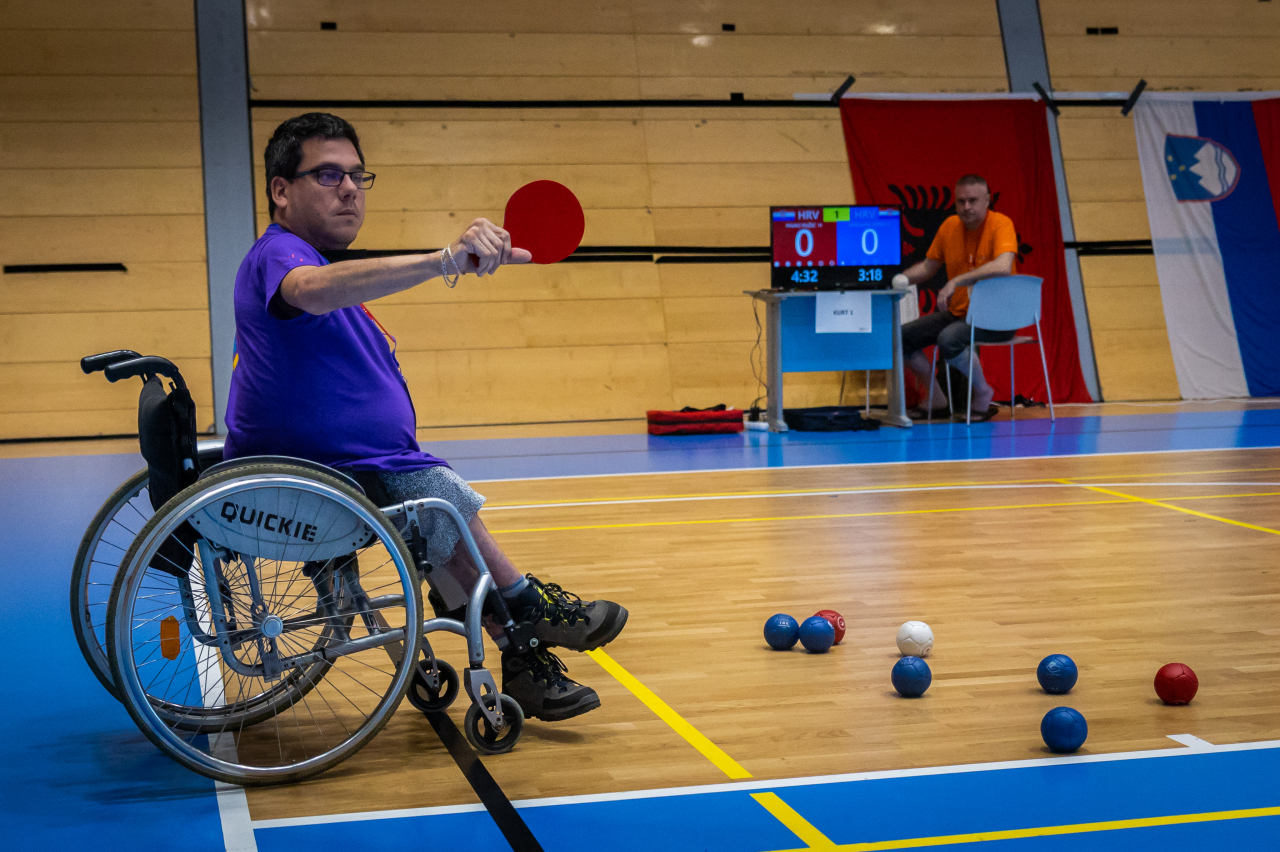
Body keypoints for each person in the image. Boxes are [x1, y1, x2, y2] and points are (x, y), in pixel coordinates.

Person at [223, 112, 627, 722]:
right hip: (317, 480)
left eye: (357, 175)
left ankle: (522, 657)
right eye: (328, 175)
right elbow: (309, 290)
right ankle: (528, 604)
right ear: (281, 190)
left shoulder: (319, 261)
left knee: (427, 504)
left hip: (358, 469)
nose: (349, 189)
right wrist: (444, 260)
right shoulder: (282, 254)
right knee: (434, 495)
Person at [894, 174, 1019, 422]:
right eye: (961, 201)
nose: (966, 207)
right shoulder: (949, 226)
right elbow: (928, 267)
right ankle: (936, 398)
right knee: (900, 338)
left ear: (987, 200)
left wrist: (957, 280)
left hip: (998, 318)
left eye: (973, 200)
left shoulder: (1001, 224)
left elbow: (1003, 265)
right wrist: (895, 280)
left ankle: (983, 392)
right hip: (960, 313)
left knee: (949, 339)